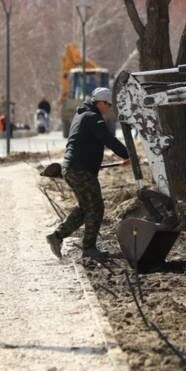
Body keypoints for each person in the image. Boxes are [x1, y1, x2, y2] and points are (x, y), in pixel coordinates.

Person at [46, 87, 129, 260]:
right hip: (80, 169)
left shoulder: (82, 114)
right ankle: (89, 248)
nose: (108, 107)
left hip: (73, 168)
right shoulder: (92, 117)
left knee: (86, 207)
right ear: (99, 102)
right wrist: (129, 154)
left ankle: (57, 236)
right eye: (107, 104)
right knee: (96, 207)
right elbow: (108, 139)